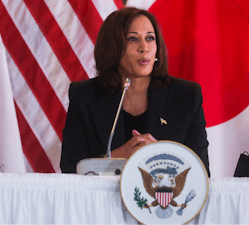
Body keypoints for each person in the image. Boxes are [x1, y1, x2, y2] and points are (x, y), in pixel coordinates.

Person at [60, 7, 210, 176]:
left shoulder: (186, 96)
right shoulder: (84, 96)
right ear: (113, 46)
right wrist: (117, 157)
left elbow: (201, 172)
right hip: (101, 201)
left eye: (150, 38)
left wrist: (159, 158)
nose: (144, 48)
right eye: (133, 39)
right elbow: (69, 169)